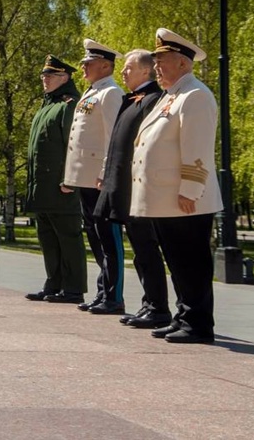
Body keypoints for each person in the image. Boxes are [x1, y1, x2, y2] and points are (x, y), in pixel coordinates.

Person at [132, 28, 222, 344]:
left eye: (162, 60)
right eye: (155, 60)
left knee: (192, 261)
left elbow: (197, 148)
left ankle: (198, 324)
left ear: (182, 63)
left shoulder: (195, 95)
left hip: (184, 199)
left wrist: (190, 190)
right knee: (177, 261)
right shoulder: (173, 96)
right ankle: (184, 316)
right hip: (166, 198)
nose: (156, 66)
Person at [93, 49, 169, 329]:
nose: (123, 72)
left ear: (145, 71)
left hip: (137, 188)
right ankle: (150, 304)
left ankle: (157, 306)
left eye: (129, 68)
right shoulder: (133, 100)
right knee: (137, 247)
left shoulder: (151, 100)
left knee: (146, 247)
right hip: (121, 185)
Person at [63, 39, 125, 315]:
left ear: (105, 65)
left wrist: (105, 173)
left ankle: (114, 295)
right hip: (85, 178)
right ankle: (103, 291)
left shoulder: (110, 92)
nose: (84, 67)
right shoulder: (93, 92)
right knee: (95, 235)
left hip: (99, 179)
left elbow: (114, 137)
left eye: (89, 63)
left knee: (108, 238)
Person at [24, 55, 86, 305]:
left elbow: (74, 144)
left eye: (50, 75)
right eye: (43, 75)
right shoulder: (47, 105)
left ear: (65, 78)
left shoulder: (69, 104)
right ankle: (54, 283)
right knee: (48, 237)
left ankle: (73, 289)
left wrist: (69, 179)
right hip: (42, 186)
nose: (45, 79)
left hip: (62, 187)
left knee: (68, 237)